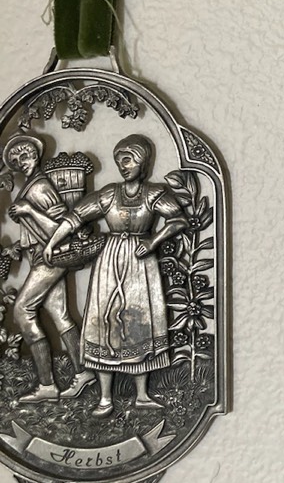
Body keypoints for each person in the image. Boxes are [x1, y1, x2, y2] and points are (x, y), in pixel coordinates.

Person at [44, 134, 187, 418]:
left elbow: (178, 219)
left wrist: (153, 241)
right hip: (109, 261)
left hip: (140, 262)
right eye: (120, 161)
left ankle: (142, 396)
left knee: (139, 323)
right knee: (103, 322)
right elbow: (76, 217)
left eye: (129, 159)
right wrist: (52, 242)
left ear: (143, 162)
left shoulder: (153, 194)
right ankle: (105, 398)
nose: (124, 166)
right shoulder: (109, 194)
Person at [3, 134, 95, 403]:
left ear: (36, 154)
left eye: (25, 155)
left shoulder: (41, 186)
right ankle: (83, 372)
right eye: (15, 160)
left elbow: (60, 230)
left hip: (49, 257)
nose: (21, 162)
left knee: (22, 311)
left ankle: (46, 384)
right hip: (41, 256)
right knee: (60, 314)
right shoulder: (33, 184)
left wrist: (29, 210)